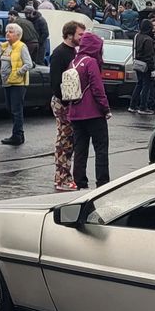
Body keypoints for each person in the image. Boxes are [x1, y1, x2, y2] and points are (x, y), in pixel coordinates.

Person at [68, 33, 111, 188]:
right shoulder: (91, 62)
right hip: (93, 113)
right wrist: (105, 109)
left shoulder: (73, 62)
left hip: (75, 113)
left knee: (80, 149)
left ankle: (80, 182)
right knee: (101, 148)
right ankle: (103, 182)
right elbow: (97, 89)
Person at [49, 21, 85, 191]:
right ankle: (62, 179)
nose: (82, 38)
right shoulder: (59, 53)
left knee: (69, 141)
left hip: (70, 102)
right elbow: (55, 82)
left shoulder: (73, 52)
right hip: (63, 102)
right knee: (64, 141)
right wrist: (66, 102)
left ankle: (64, 177)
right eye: (80, 35)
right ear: (70, 35)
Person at [0, 22, 34, 146]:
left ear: (18, 35)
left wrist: (18, 73)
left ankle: (17, 135)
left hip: (17, 84)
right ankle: (19, 134)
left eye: (11, 31)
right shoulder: (5, 46)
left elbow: (28, 64)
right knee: (10, 108)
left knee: (16, 110)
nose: (7, 33)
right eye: (7, 31)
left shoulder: (21, 46)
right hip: (7, 82)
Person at [129, 19, 155, 115]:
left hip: (137, 63)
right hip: (146, 66)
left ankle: (132, 106)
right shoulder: (148, 40)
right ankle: (143, 107)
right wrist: (152, 70)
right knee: (146, 86)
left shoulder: (137, 36)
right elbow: (149, 57)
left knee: (139, 84)